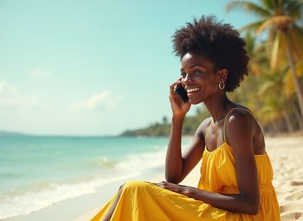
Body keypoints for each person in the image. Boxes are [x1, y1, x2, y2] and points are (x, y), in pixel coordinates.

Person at [91, 15, 280, 221]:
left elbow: (250, 204)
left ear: (221, 76)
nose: (187, 81)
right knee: (127, 190)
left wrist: (188, 191)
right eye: (184, 73)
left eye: (196, 71)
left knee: (133, 189)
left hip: (244, 217)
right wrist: (178, 118)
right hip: (217, 214)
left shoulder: (237, 121)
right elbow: (173, 177)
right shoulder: (206, 127)